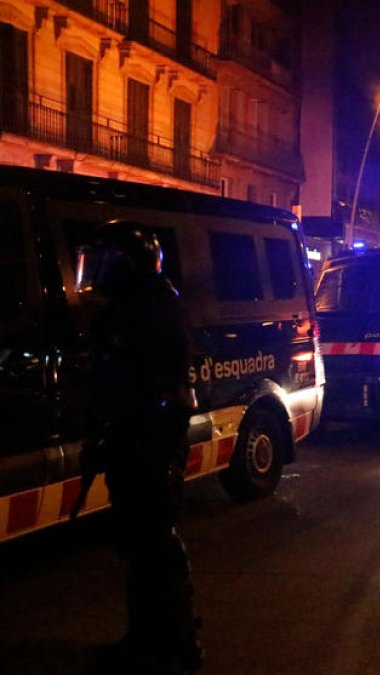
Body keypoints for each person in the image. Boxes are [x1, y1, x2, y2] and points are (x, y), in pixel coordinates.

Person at [74, 221, 202, 672]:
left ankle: (177, 642)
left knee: (156, 544)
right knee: (137, 545)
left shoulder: (153, 310)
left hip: (150, 443)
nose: (96, 273)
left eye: (106, 262)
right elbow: (110, 380)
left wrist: (156, 449)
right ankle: (146, 637)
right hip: (130, 441)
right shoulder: (128, 308)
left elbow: (170, 391)